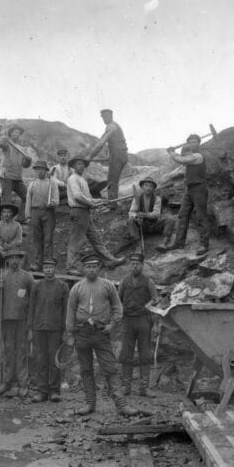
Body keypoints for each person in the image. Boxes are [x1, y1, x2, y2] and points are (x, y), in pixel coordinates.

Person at [65, 254, 138, 416]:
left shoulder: (108, 286)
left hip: (101, 333)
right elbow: (70, 312)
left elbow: (118, 307)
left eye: (94, 266)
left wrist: (112, 324)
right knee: (86, 370)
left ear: (99, 268)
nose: (91, 269)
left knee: (110, 368)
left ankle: (121, 405)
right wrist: (70, 333)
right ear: (84, 269)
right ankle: (90, 404)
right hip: (82, 333)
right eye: (88, 267)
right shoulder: (76, 288)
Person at [65, 155, 126, 276]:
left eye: (82, 164)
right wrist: (91, 204)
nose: (81, 166)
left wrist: (100, 201)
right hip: (78, 212)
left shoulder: (82, 180)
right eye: (78, 164)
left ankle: (109, 261)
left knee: (96, 238)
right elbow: (77, 196)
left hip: (85, 213)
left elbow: (88, 198)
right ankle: (71, 266)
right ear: (73, 166)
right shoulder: (73, 179)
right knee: (76, 240)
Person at [157, 134, 210, 256]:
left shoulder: (198, 156)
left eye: (195, 142)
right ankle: (179, 242)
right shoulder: (191, 156)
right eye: (190, 142)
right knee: (182, 215)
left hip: (199, 188)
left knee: (201, 216)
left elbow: (181, 159)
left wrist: (171, 152)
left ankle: (204, 244)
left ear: (199, 143)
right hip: (189, 189)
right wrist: (176, 153)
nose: (192, 144)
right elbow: (183, 158)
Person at [27, 258, 69, 403]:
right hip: (39, 328)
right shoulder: (37, 286)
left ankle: (55, 391)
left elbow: (66, 311)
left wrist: (65, 330)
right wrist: (30, 329)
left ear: (55, 269)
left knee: (55, 360)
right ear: (43, 269)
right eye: (46, 267)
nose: (48, 270)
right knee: (40, 360)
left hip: (55, 329)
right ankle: (42, 391)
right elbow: (31, 308)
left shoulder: (63, 286)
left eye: (51, 267)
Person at [118, 252, 158, 398]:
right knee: (126, 353)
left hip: (143, 320)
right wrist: (119, 315)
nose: (135, 266)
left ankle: (144, 387)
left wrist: (154, 324)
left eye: (138, 264)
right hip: (128, 321)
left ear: (142, 265)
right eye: (132, 264)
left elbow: (155, 299)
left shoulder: (149, 282)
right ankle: (126, 386)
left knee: (145, 353)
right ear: (130, 265)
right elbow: (118, 300)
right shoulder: (124, 281)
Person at [0, 250, 35, 398]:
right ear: (7, 261)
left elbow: (33, 299)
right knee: (7, 350)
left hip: (22, 320)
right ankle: (6, 382)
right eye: (11, 258)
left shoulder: (27, 277)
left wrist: (30, 323)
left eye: (17, 258)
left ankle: (23, 383)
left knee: (22, 350)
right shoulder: (2, 276)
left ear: (20, 260)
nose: (14, 261)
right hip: (6, 319)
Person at [87, 109, 128, 209]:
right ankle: (114, 202)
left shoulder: (111, 126)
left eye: (105, 116)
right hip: (122, 155)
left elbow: (101, 143)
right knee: (114, 181)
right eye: (102, 117)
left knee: (111, 181)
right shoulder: (115, 126)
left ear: (110, 115)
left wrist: (90, 156)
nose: (104, 119)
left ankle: (112, 205)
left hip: (117, 156)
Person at [25, 160, 59, 272]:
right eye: (37, 169)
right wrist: (28, 216)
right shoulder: (32, 184)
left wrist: (52, 203)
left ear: (46, 171)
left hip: (48, 212)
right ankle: (38, 263)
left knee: (48, 239)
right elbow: (28, 201)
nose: (39, 171)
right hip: (35, 212)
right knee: (37, 239)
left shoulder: (51, 183)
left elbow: (56, 199)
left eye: (42, 169)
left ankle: (48, 263)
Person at [126, 177, 175, 251]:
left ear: (153, 188)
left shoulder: (157, 199)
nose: (148, 188)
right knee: (130, 220)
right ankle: (138, 245)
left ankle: (164, 242)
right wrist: (137, 217)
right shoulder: (137, 198)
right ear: (142, 187)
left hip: (155, 224)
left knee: (170, 219)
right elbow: (131, 212)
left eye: (151, 186)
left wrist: (145, 215)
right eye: (146, 186)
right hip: (143, 225)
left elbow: (156, 214)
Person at [0, 122, 32, 220]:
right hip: (7, 176)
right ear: (11, 134)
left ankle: (20, 219)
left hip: (17, 177)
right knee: (6, 202)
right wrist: (3, 141)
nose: (16, 134)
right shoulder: (7, 144)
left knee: (27, 197)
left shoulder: (22, 149)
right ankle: (4, 223)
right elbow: (1, 145)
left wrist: (28, 162)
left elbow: (24, 165)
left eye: (18, 133)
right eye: (14, 132)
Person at [0, 204, 23, 270]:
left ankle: (16, 273)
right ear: (1, 213)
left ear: (12, 213)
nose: (6, 214)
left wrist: (10, 246)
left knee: (17, 257)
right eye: (4, 212)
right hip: (0, 250)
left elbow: (19, 240)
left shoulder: (17, 225)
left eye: (8, 212)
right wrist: (1, 250)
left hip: (13, 250)